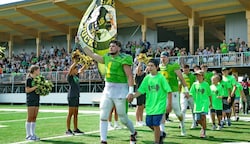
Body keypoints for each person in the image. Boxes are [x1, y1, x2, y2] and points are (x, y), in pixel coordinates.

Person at [80, 39, 137, 144]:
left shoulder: (124, 58)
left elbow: (129, 76)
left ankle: (133, 132)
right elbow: (91, 54)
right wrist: (81, 43)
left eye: (113, 46)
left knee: (123, 118)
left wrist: (130, 91)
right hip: (108, 89)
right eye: (110, 46)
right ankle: (103, 140)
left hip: (121, 89)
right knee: (103, 115)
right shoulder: (106, 57)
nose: (111, 48)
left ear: (119, 48)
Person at [127, 59, 172, 144]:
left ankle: (157, 142)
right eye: (148, 66)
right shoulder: (147, 78)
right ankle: (160, 134)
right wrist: (132, 96)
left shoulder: (161, 78)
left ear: (157, 67)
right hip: (150, 106)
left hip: (159, 105)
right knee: (148, 123)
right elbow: (140, 91)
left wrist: (169, 105)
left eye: (152, 66)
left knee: (156, 124)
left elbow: (169, 91)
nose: (150, 68)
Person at [159, 51, 189, 136]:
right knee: (162, 110)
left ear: (168, 58)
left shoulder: (174, 66)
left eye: (164, 57)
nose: (163, 59)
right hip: (163, 92)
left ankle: (182, 125)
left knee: (177, 112)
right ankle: (162, 131)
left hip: (173, 91)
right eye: (161, 57)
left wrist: (186, 90)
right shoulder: (159, 66)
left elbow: (181, 78)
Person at [189, 70, 212, 138]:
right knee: (197, 120)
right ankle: (203, 126)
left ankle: (203, 131)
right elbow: (191, 93)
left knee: (203, 117)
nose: (197, 77)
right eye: (196, 75)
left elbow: (209, 94)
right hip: (197, 104)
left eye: (199, 75)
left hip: (204, 103)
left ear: (202, 76)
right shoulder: (194, 84)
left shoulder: (206, 84)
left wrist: (210, 103)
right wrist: (187, 95)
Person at [65, 61, 85, 135]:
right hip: (72, 96)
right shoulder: (70, 76)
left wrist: (87, 63)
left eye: (77, 69)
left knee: (76, 113)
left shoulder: (77, 76)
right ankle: (68, 129)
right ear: (73, 70)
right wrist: (75, 62)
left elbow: (82, 69)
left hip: (76, 96)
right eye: (76, 69)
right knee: (70, 113)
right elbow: (70, 69)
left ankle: (75, 129)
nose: (77, 70)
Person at [25, 65, 41, 141]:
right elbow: (27, 90)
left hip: (36, 99)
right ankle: (28, 135)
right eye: (38, 70)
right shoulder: (29, 79)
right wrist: (36, 87)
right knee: (30, 117)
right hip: (30, 99)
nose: (39, 72)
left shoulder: (38, 79)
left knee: (34, 117)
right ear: (34, 70)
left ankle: (33, 134)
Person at [179, 64, 196, 129]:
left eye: (187, 69)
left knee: (193, 109)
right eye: (184, 69)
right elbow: (179, 85)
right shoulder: (181, 76)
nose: (185, 71)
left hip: (191, 94)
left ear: (189, 69)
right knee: (183, 109)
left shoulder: (193, 75)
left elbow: (195, 85)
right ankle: (181, 123)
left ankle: (194, 122)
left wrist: (191, 93)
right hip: (183, 94)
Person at [135, 62, 146, 126]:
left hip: (144, 91)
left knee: (142, 106)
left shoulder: (144, 74)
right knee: (139, 106)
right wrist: (139, 62)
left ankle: (141, 120)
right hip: (138, 92)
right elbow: (138, 70)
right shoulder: (138, 75)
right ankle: (137, 120)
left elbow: (147, 70)